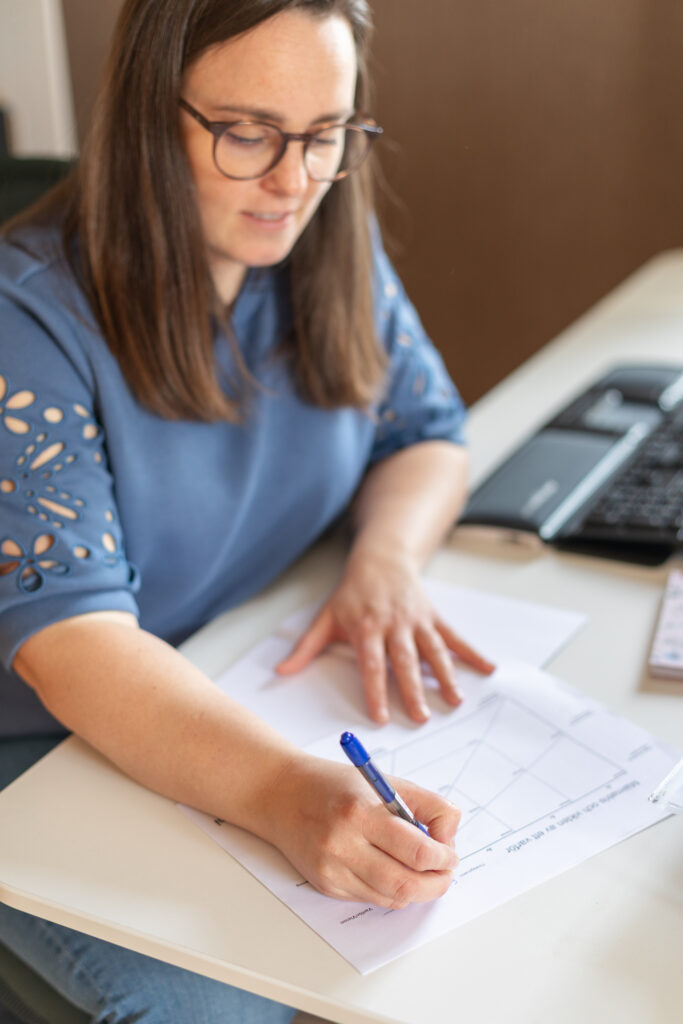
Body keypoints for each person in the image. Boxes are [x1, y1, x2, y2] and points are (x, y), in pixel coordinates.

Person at [0, 0, 494, 1020]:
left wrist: (384, 562)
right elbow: (73, 645)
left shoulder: (315, 243)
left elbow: (427, 434)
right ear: (148, 114)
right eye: (247, 133)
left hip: (234, 670)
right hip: (38, 752)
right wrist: (288, 793)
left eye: (325, 135)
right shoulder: (26, 326)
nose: (293, 179)